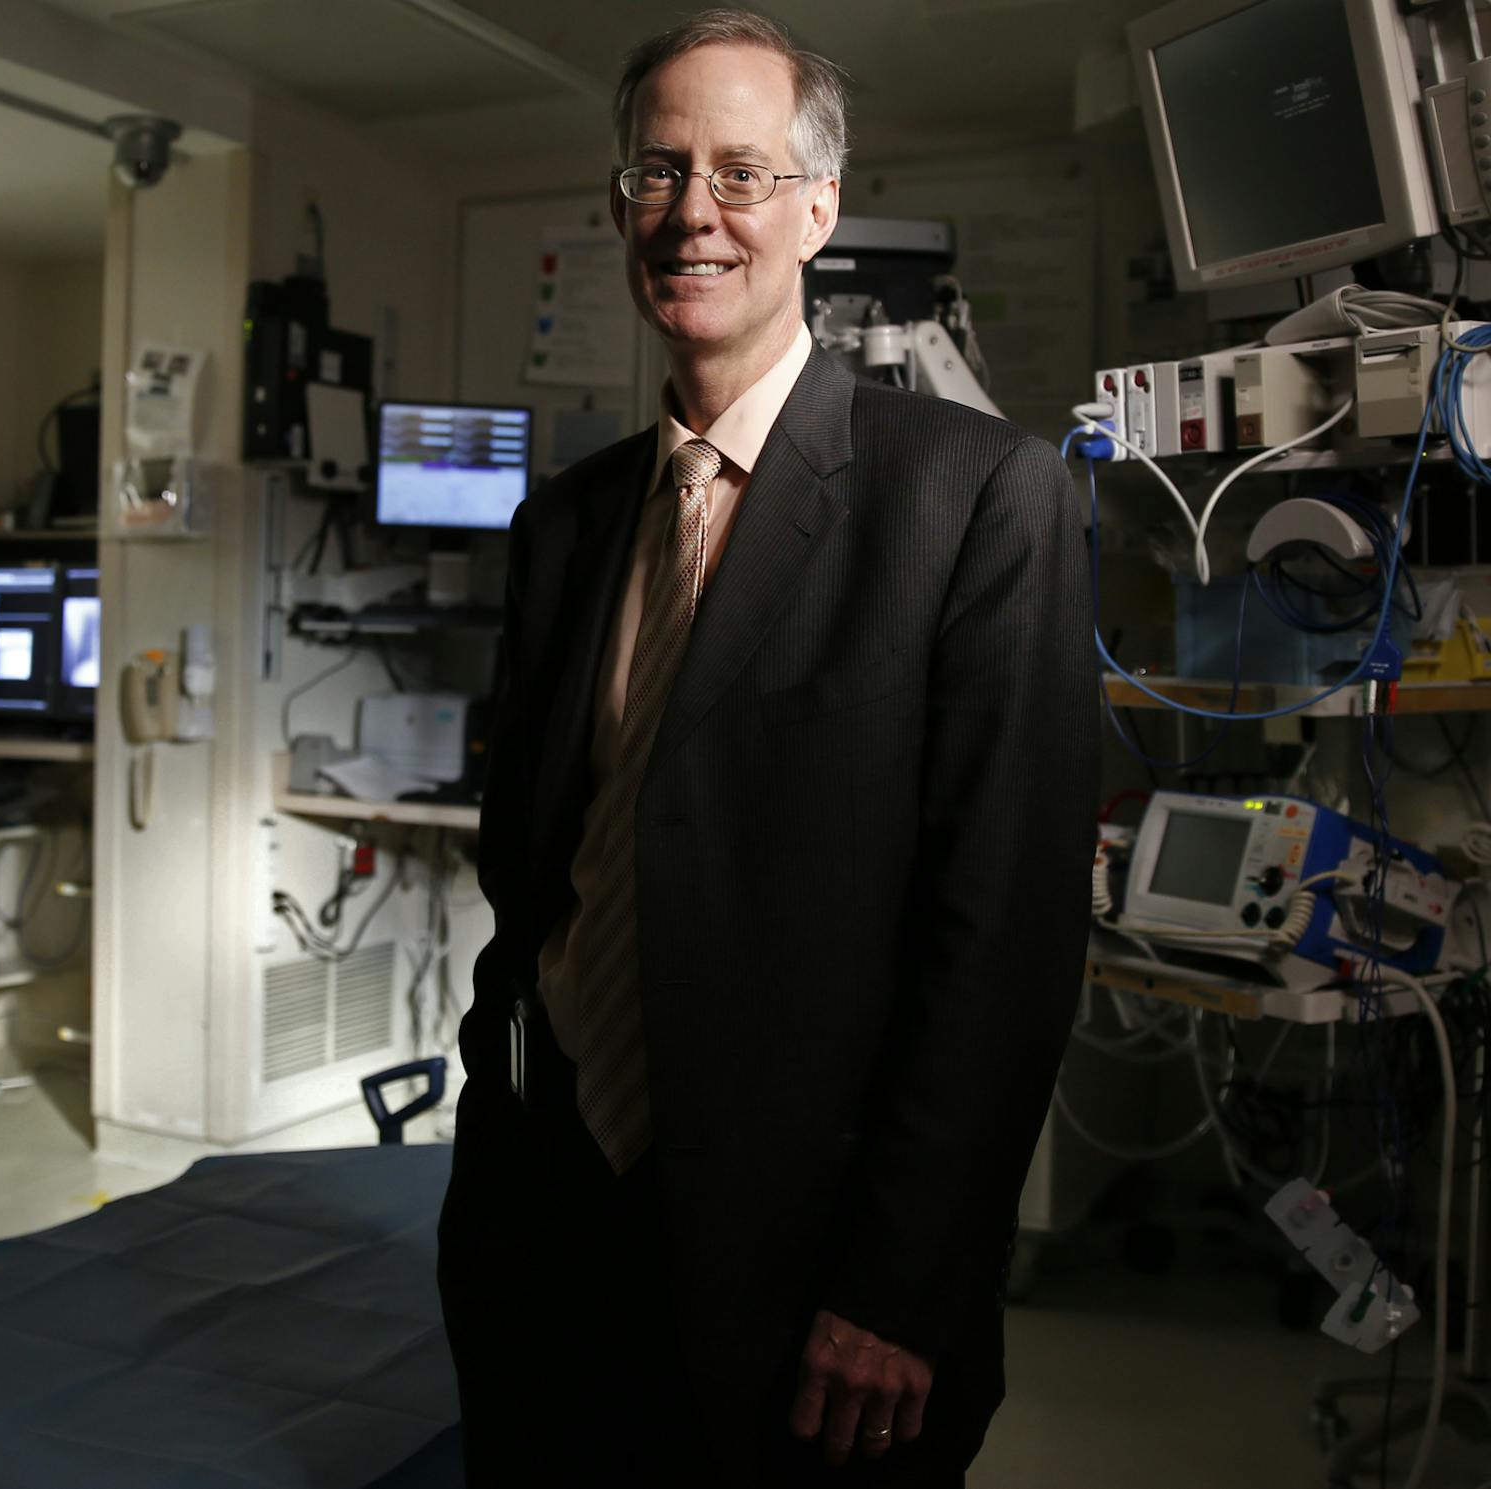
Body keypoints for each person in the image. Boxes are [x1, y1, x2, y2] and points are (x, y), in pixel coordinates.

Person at [437, 9, 1098, 1485]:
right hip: (547, 1233)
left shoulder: (980, 499)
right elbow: (538, 869)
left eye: (741, 173)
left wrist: (903, 1281)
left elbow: (1006, 938)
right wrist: (500, 1127)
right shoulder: (568, 522)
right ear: (622, 205)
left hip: (816, 1272)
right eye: (659, 171)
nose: (693, 214)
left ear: (818, 209)